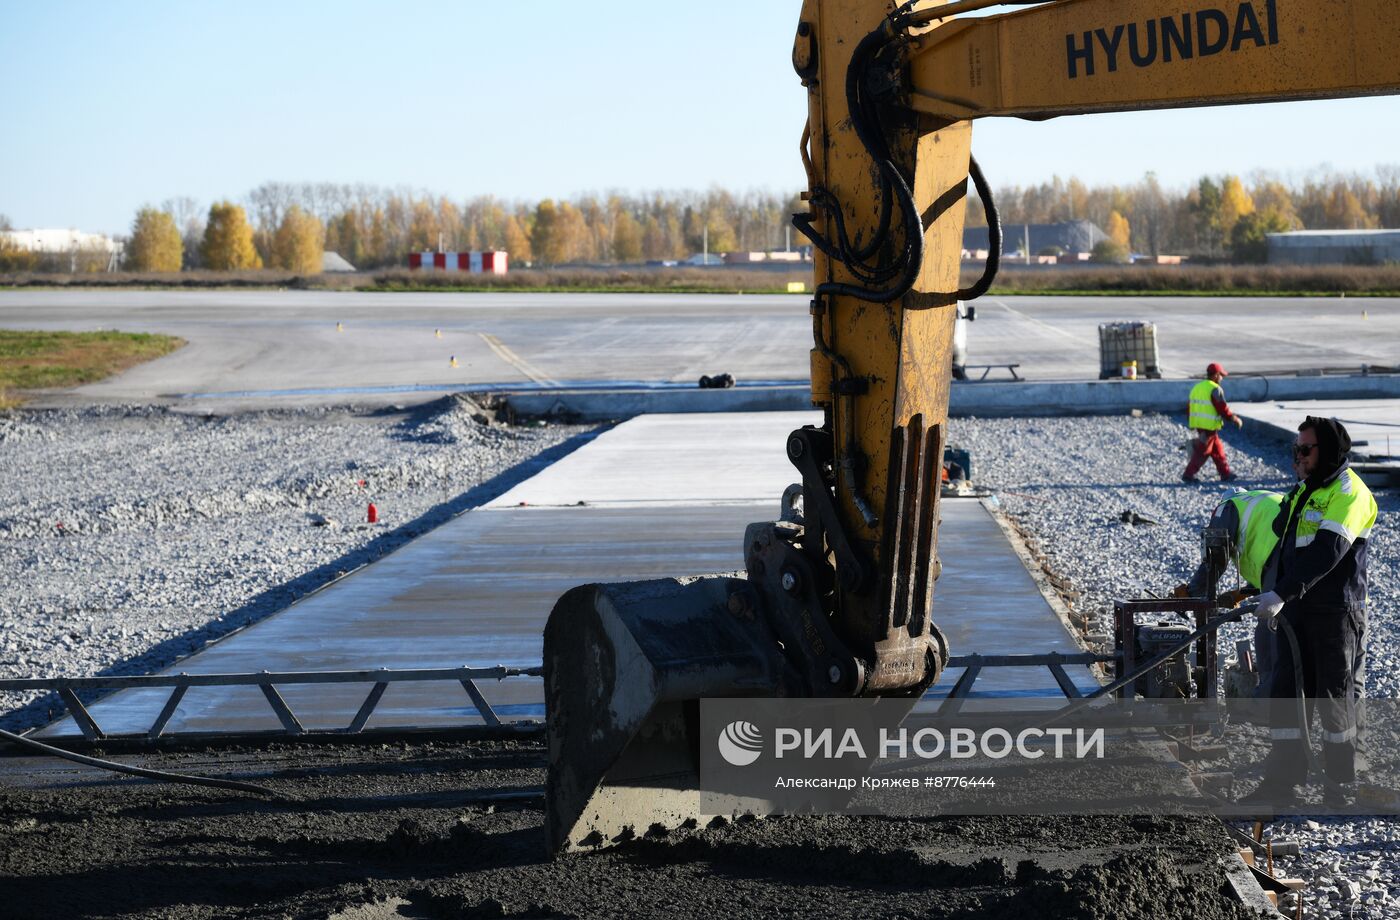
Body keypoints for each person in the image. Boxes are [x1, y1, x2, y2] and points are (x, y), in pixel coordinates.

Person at [1240, 417, 1377, 807]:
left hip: (1335, 613)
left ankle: (1340, 786)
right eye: (1295, 449)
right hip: (1297, 611)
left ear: (1328, 452)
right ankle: (1282, 782)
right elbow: (1285, 541)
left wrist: (1281, 593)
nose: (1296, 456)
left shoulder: (1351, 492)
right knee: (1287, 693)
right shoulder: (1306, 489)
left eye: (1304, 450)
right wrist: (1272, 593)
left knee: (1333, 698)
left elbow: (1327, 552)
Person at [1175, 488, 1285, 681]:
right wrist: (1241, 593)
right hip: (1295, 564)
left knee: (1269, 640)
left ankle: (1272, 698)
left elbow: (1215, 556)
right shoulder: (1261, 504)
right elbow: (1264, 563)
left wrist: (1192, 592)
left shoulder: (1228, 506)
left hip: (1281, 564)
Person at [1183, 362, 1242, 483]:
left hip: (1200, 424)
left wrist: (1191, 423)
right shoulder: (1215, 389)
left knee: (1217, 449)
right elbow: (1222, 408)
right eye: (1221, 375)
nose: (1222, 378)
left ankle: (1225, 474)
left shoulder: (1197, 387)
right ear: (1215, 375)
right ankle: (1188, 475)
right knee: (1203, 451)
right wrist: (1234, 419)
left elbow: (1189, 407)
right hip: (1208, 426)